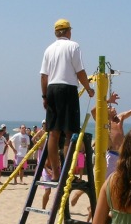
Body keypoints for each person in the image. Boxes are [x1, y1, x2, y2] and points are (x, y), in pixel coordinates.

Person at [40, 18, 95, 181]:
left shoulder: (49, 49)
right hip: (67, 89)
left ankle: (56, 174)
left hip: (51, 88)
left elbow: (43, 76)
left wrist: (44, 96)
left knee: (53, 133)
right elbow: (80, 72)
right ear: (68, 31)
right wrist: (89, 89)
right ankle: (66, 173)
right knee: (70, 132)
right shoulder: (73, 46)